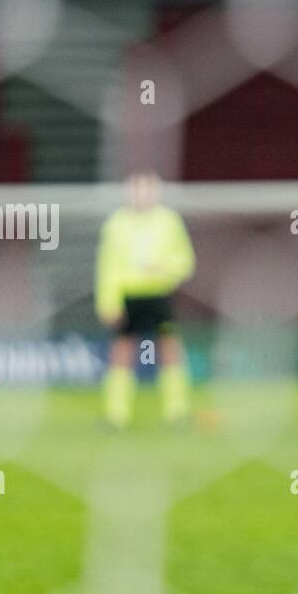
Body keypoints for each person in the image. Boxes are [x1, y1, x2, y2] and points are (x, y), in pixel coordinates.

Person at [95, 171, 196, 428]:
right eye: (136, 189)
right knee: (122, 353)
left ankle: (177, 412)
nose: (141, 195)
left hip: (158, 294)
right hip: (128, 296)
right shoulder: (116, 223)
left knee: (170, 350)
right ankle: (116, 414)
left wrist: (160, 268)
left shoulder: (168, 221)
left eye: (146, 189)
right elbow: (107, 266)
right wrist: (108, 302)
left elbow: (185, 262)